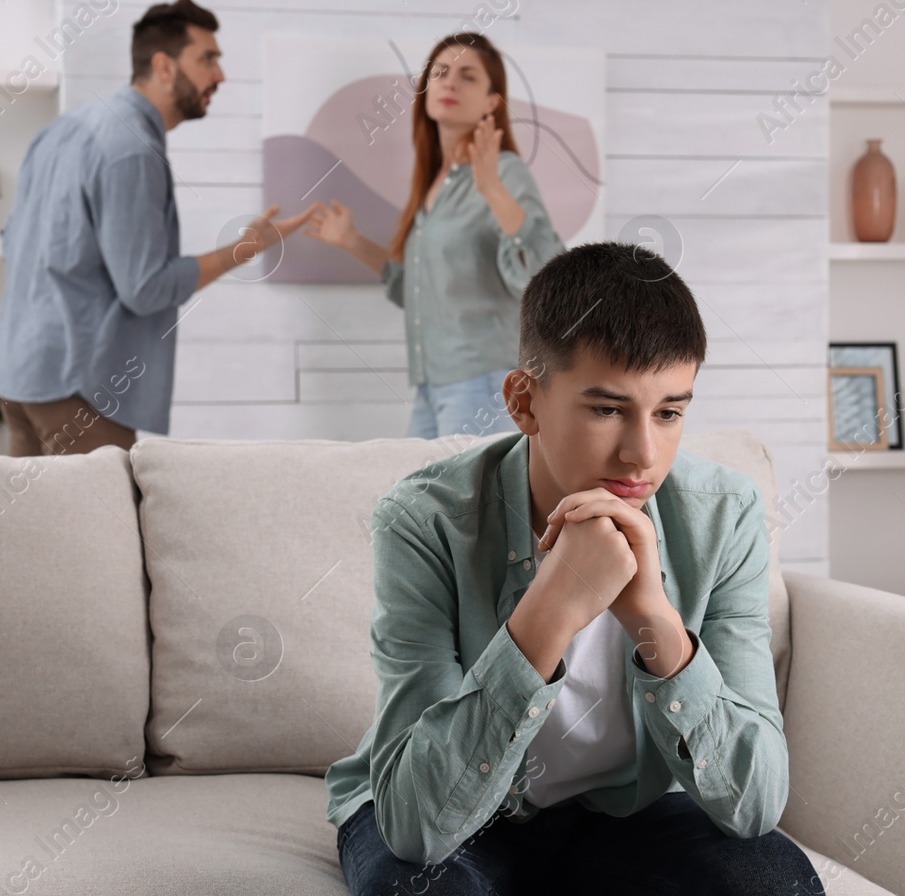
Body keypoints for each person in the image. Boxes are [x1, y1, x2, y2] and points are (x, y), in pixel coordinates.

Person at [324, 242, 821, 895]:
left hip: (630, 811)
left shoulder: (723, 515)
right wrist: (549, 611)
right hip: (463, 815)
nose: (642, 454)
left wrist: (655, 622)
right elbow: (418, 824)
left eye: (669, 412)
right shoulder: (425, 521)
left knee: (776, 885)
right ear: (524, 402)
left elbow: (756, 805)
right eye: (607, 409)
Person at [0, 1, 315, 457]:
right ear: (163, 65)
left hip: (18, 380)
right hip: (76, 392)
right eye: (208, 59)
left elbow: (14, 243)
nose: (219, 76)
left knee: (34, 529)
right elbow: (145, 287)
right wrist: (244, 249)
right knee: (104, 529)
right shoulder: (132, 150)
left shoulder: (62, 131)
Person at [303, 32, 564, 441]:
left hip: (485, 383)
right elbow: (419, 291)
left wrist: (492, 187)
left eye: (467, 76)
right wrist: (352, 241)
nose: (449, 82)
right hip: (432, 385)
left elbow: (545, 272)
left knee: (466, 503)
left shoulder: (505, 171)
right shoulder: (432, 185)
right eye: (439, 72)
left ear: (492, 102)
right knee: (424, 501)